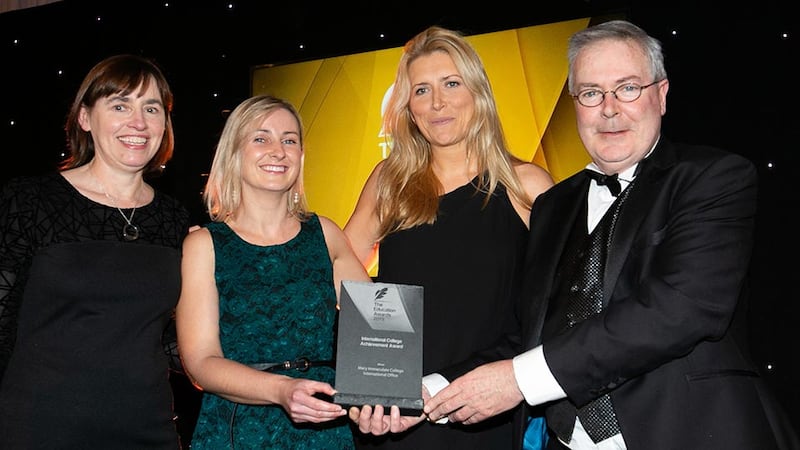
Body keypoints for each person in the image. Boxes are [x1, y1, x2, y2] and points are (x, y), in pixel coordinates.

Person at [421, 19, 800, 450]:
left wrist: (520, 380)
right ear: (574, 104)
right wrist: (433, 387)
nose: (609, 108)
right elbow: (529, 334)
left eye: (628, 88)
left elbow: (678, 309)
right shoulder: (551, 205)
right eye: (591, 93)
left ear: (661, 94)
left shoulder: (714, 178)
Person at [344, 26, 554, 449]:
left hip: (483, 410)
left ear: (477, 93)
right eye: (421, 90)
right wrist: (364, 372)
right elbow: (341, 264)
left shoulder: (525, 185)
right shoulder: (390, 181)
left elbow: (556, 307)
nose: (436, 102)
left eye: (451, 84)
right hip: (392, 415)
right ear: (409, 106)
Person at [0, 54, 190, 448]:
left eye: (151, 108)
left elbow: (169, 337)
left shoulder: (173, 217)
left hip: (147, 429)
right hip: (40, 429)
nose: (138, 122)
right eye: (120, 105)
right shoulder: (28, 200)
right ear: (85, 118)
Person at [175, 95, 372, 450]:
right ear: (233, 152)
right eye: (261, 138)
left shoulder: (325, 235)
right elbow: (201, 361)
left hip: (323, 430)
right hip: (235, 429)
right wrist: (281, 390)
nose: (279, 150)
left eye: (290, 140)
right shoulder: (203, 245)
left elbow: (379, 325)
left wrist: (388, 396)